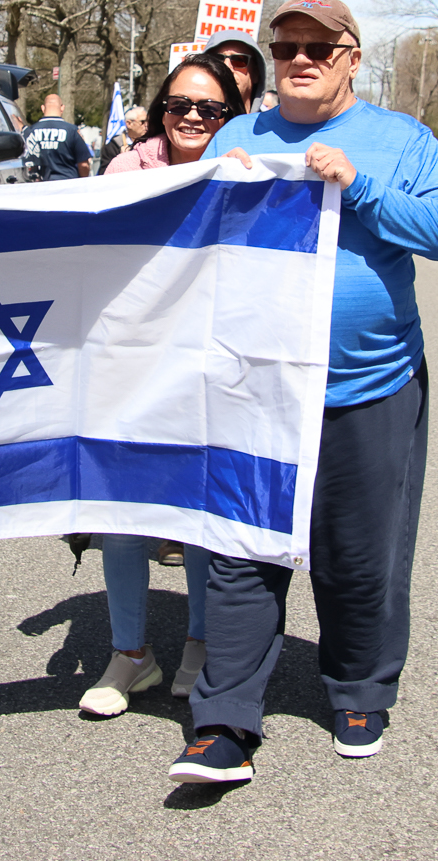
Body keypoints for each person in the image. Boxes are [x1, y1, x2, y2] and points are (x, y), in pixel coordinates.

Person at [170, 0, 438, 784]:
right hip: (254, 385)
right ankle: (223, 719)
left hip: (369, 386)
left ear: (353, 57)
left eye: (320, 47)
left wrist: (360, 184)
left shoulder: (400, 142)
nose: (301, 58)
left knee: (357, 553)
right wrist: (210, 192)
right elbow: (180, 247)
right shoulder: (239, 137)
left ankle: (360, 685)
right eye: (288, 45)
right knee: (242, 549)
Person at [81, 54, 246, 718]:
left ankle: (200, 643)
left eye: (211, 109)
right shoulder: (125, 170)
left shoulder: (249, 171)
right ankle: (130, 653)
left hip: (211, 368)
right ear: (160, 108)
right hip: (133, 364)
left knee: (197, 513)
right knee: (123, 516)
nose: (193, 118)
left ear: (230, 116)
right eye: (180, 105)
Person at [22, 93, 91, 180]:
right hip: (68, 184)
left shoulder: (30, 132)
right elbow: (83, 165)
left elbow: (28, 162)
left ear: (43, 108)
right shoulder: (72, 131)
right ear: (62, 108)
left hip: (41, 186)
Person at [201, 30, 269, 112]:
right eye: (216, 60)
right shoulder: (191, 121)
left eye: (239, 60)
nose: (226, 67)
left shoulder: (269, 124)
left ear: (256, 73)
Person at [97, 106, 147, 171]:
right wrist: (122, 160)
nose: (146, 125)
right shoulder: (113, 147)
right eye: (142, 122)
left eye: (148, 121)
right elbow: (104, 174)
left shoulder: (150, 143)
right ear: (129, 124)